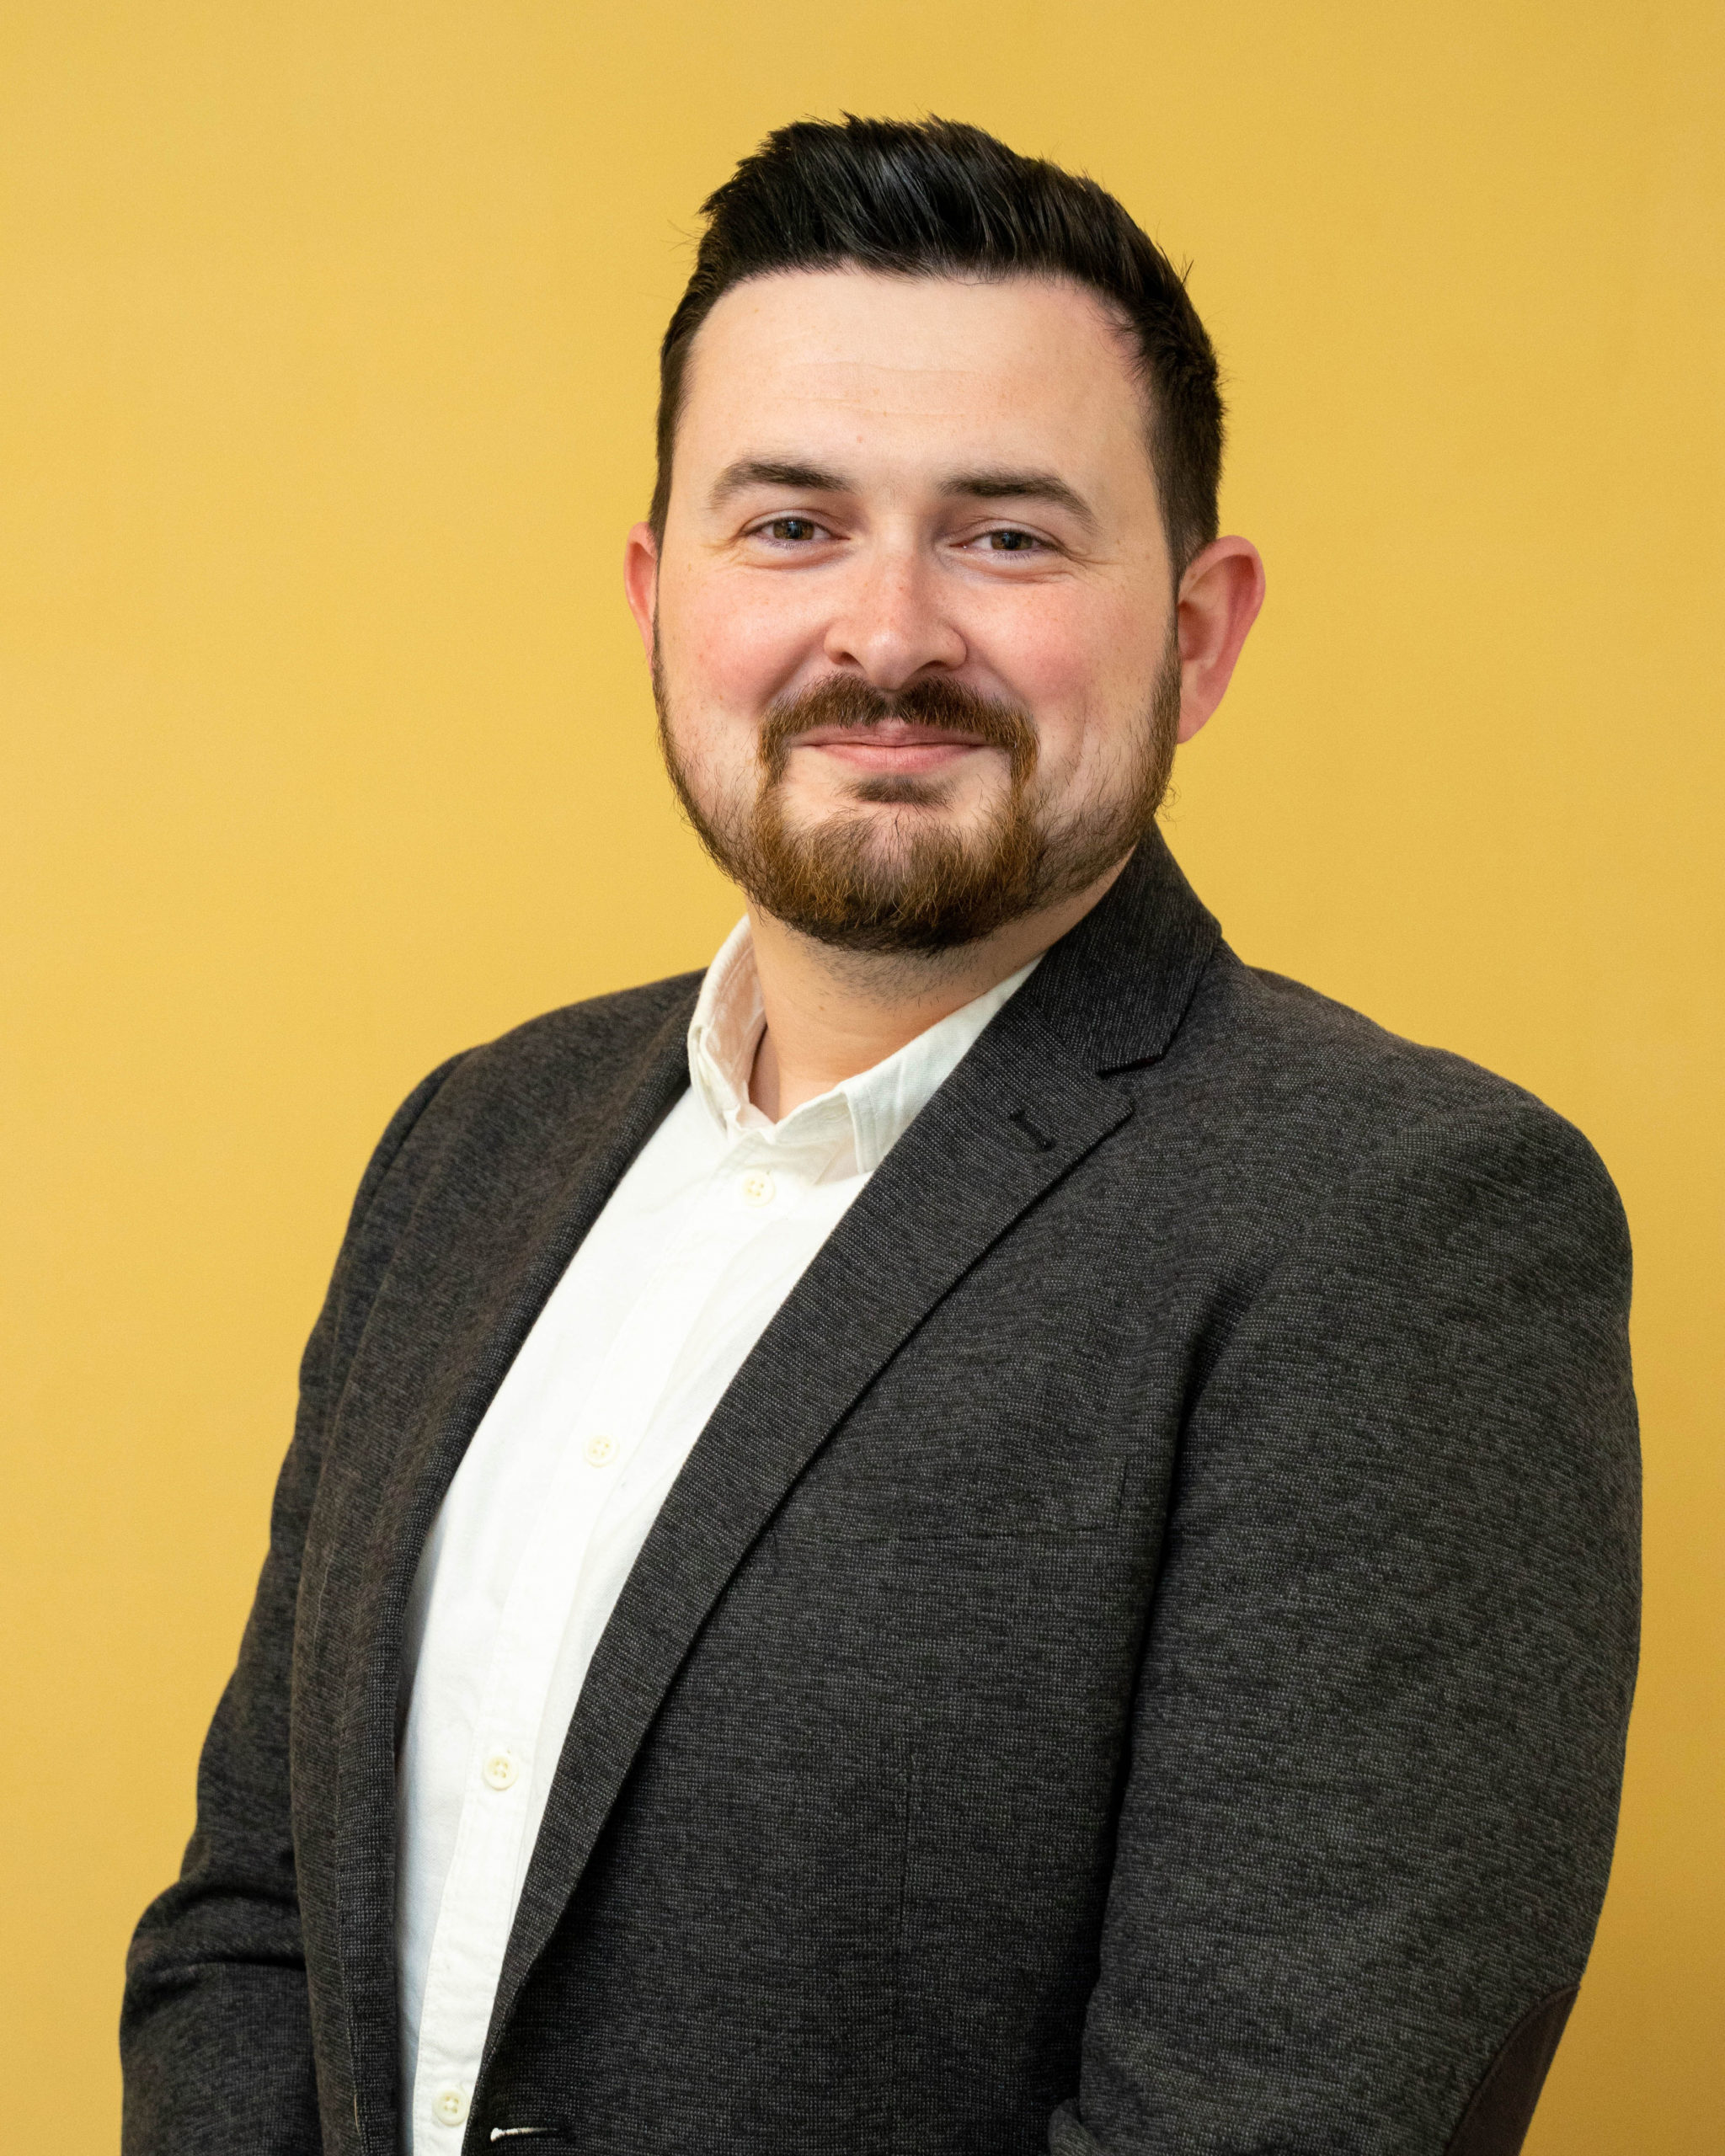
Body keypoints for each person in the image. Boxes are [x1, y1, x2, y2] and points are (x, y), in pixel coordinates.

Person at [120, 116, 1640, 2156]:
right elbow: (257, 1925)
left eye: (1007, 535)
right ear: (661, 597)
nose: (888, 631)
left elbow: (1271, 2116)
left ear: (1197, 628)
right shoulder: (470, 1147)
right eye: (790, 526)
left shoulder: (1397, 1224)